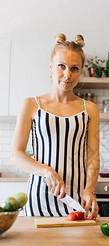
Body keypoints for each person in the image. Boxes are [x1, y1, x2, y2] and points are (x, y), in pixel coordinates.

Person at [11, 33, 100, 218]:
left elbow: (92, 157)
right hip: (39, 200)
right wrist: (47, 171)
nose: (67, 75)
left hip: (76, 200)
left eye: (74, 68)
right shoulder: (31, 104)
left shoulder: (89, 109)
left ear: (80, 71)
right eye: (62, 66)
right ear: (51, 67)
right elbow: (16, 154)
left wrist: (89, 190)